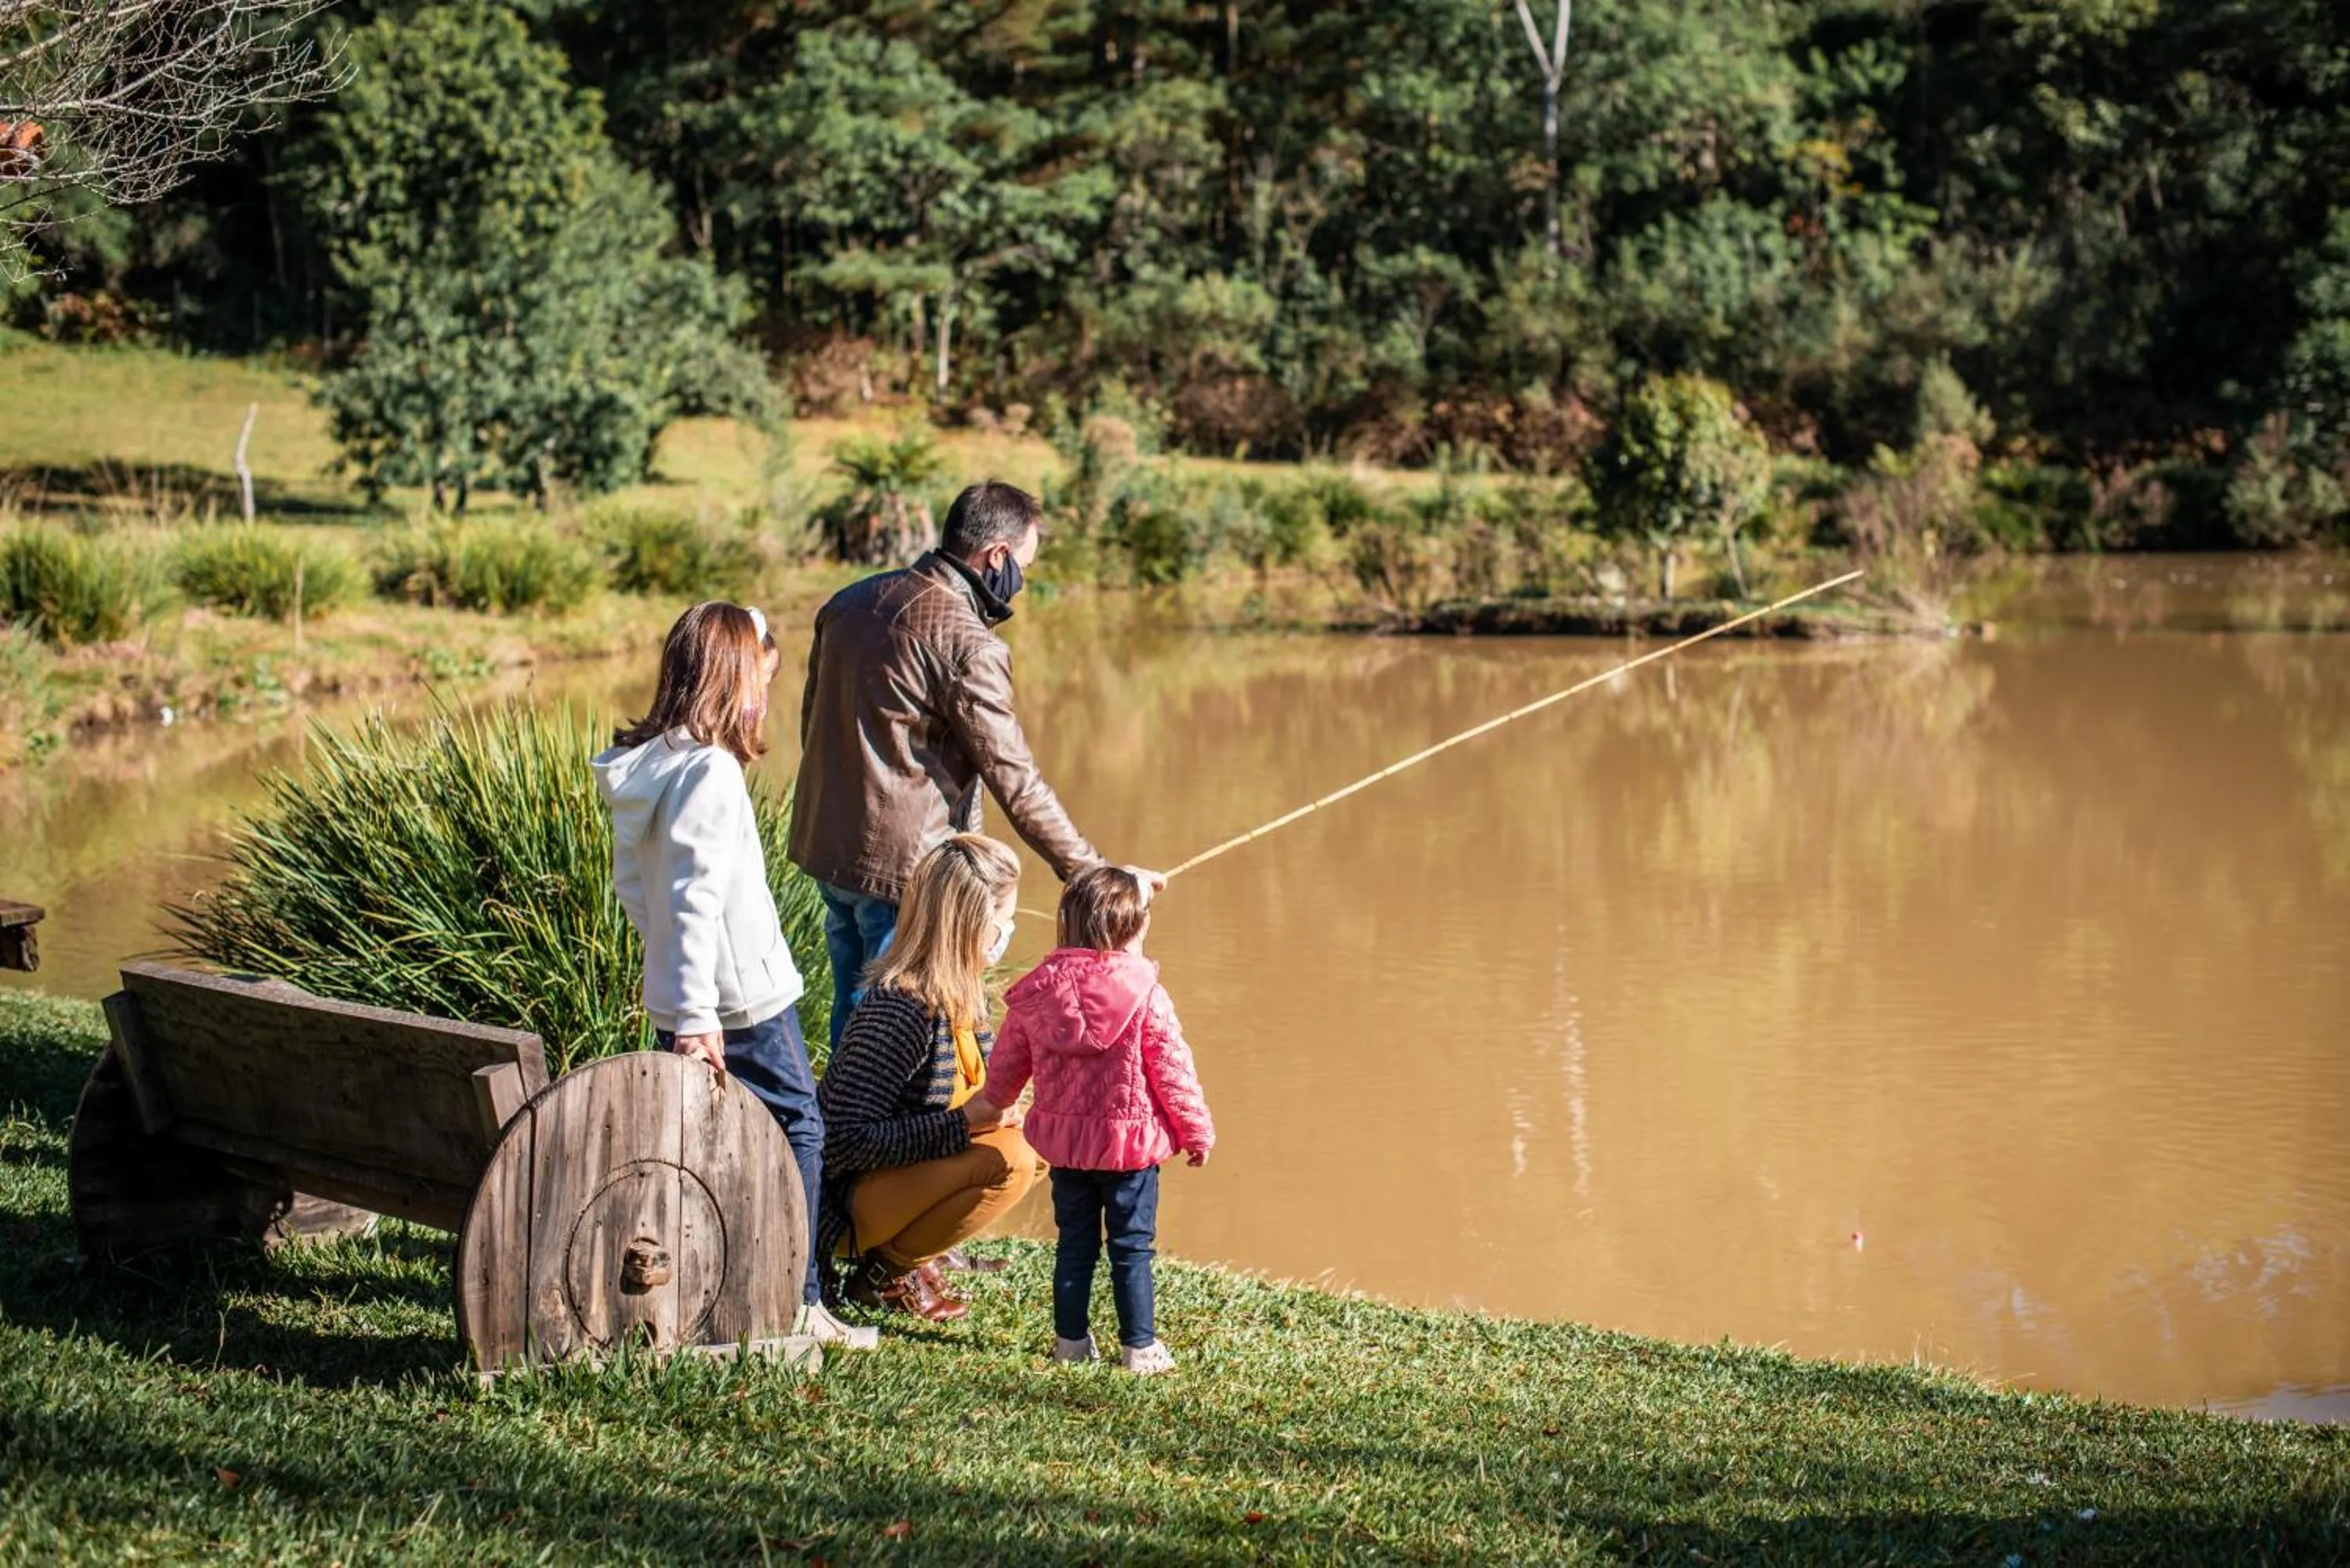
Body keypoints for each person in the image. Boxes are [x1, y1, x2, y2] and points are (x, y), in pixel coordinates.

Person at [591, 601, 876, 1352]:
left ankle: (725, 1282)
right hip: (738, 1001)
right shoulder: (711, 772)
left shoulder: (649, 765)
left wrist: (674, 981)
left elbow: (635, 887)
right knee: (800, 1127)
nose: (764, 698)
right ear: (730, 678)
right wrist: (698, 1015)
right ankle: (799, 1300)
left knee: (706, 1140)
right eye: (761, 681)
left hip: (689, 992)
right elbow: (692, 898)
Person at [790, 479, 1162, 1052]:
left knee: (852, 1010)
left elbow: (812, 721)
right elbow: (1014, 777)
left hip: (829, 846)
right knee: (898, 1030)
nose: (1021, 582)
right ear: (997, 555)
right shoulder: (968, 643)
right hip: (907, 872)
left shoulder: (849, 602)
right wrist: (1093, 874)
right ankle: (880, 1112)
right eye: (1023, 567)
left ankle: (840, 1108)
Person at [982, 865, 1215, 1375]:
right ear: (1137, 928)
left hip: (1066, 1148)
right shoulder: (1145, 993)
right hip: (1130, 1149)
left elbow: (1006, 1066)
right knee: (1131, 1248)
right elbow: (1174, 1070)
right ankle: (1139, 1347)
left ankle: (1070, 1343)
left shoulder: (1039, 992)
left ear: (1067, 920)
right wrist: (1196, 1132)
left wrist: (996, 1103)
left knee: (1075, 1245)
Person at [815, 833, 1041, 1322]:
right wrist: (966, 1122)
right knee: (1014, 1160)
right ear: (974, 926)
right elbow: (840, 1141)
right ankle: (887, 1272)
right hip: (848, 1202)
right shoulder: (898, 1011)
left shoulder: (964, 995)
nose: (1009, 933)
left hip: (904, 1177)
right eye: (1004, 922)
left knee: (1039, 1141)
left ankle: (909, 1257)